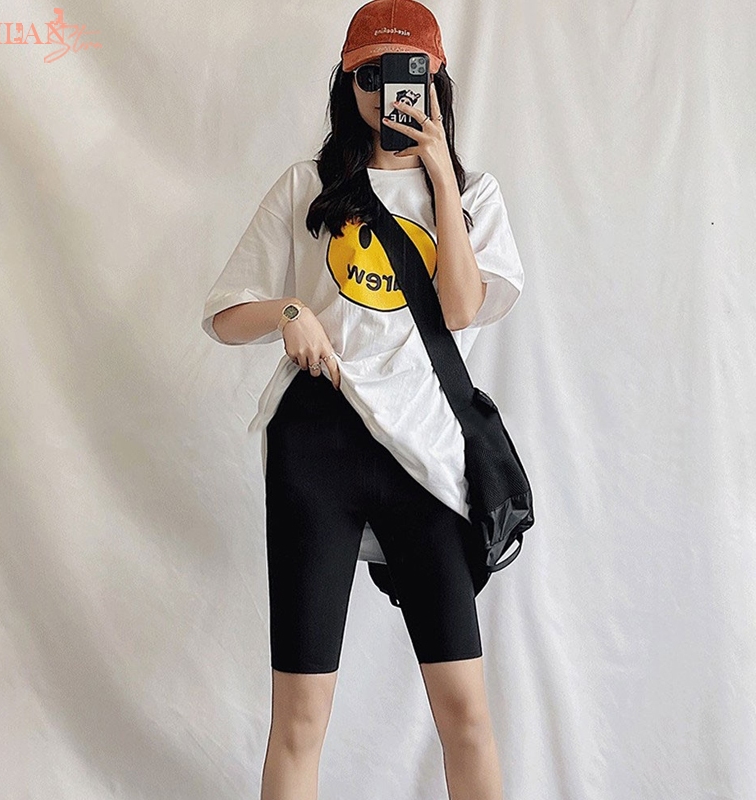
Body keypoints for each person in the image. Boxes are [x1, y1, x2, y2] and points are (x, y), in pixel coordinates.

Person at [201, 2, 525, 797]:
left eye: (405, 73)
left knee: (466, 717)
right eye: (369, 75)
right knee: (301, 717)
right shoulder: (307, 187)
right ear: (346, 85)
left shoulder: (475, 195)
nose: (387, 92)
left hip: (428, 455)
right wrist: (288, 311)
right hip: (319, 445)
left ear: (436, 81)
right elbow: (225, 315)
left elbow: (459, 309)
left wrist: (440, 177)